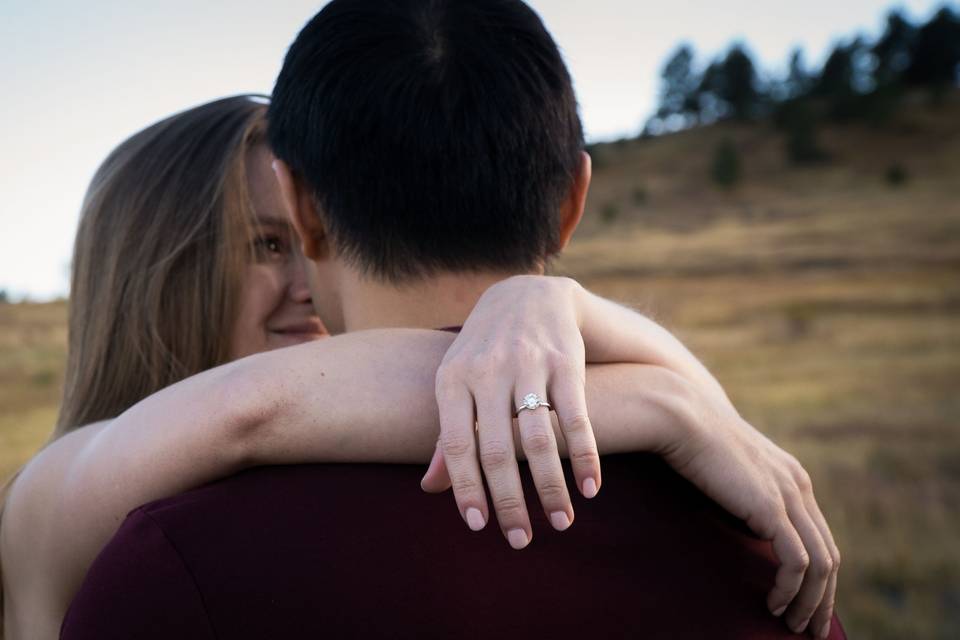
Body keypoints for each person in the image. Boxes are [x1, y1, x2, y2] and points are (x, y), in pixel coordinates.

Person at [57, 1, 843, 638]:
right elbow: (251, 414)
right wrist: (666, 398)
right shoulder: (761, 540)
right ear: (574, 201)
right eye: (258, 248)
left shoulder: (170, 568)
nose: (297, 281)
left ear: (304, 207)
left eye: (281, 237)